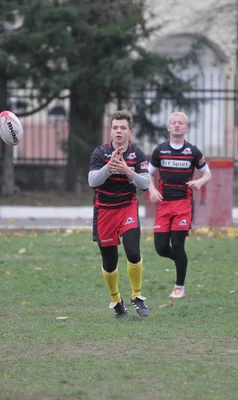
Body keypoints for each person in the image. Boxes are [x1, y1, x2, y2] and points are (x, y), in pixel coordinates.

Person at [88, 110, 150, 318]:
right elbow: (92, 181)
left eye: (123, 127)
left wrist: (127, 170)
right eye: (115, 127)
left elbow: (145, 183)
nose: (118, 131)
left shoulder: (137, 154)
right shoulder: (100, 153)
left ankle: (137, 296)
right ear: (110, 130)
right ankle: (116, 300)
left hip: (127, 207)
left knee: (133, 251)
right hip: (104, 211)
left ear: (130, 131)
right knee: (110, 261)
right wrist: (109, 166)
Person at [147, 112, 211, 299]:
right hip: (164, 204)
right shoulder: (160, 150)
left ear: (186, 128)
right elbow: (148, 173)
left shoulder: (193, 151)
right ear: (168, 127)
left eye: (180, 123)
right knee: (160, 248)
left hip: (183, 205)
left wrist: (199, 182)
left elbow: (207, 174)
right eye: (173, 123)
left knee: (177, 244)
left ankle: (179, 287)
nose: (177, 125)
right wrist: (151, 190)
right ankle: (181, 261)